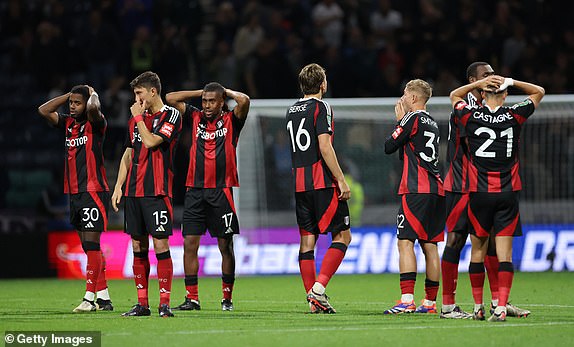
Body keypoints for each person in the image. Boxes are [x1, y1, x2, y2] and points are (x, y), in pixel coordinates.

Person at [450, 75, 544, 321]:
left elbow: (454, 96)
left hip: (479, 194)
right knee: (504, 254)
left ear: (483, 95)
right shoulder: (514, 116)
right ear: (504, 96)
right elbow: (539, 91)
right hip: (507, 194)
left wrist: (476, 85)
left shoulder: (471, 116)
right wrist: (511, 81)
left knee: (477, 252)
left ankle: (478, 306)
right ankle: (501, 307)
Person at [166, 83, 250, 312]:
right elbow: (170, 97)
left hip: (221, 191)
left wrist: (226, 91)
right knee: (189, 244)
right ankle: (192, 298)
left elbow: (244, 100)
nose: (207, 105)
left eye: (212, 101)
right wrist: (200, 93)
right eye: (205, 101)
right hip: (194, 190)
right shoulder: (194, 116)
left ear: (222, 101)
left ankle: (227, 298)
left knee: (225, 245)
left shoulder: (232, 120)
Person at [111, 71, 182, 318]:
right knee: (138, 246)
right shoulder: (135, 120)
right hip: (133, 191)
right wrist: (119, 186)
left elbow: (152, 142)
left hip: (157, 191)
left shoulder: (171, 115)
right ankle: (142, 304)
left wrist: (139, 118)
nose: (136, 98)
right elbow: (129, 154)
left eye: (139, 93)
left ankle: (165, 303)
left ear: (153, 91)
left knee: (161, 245)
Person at [38, 85, 113, 312]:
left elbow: (93, 109)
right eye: (71, 103)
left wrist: (94, 95)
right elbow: (43, 110)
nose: (72, 107)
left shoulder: (96, 123)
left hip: (93, 190)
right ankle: (104, 298)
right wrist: (66, 96)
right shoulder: (68, 124)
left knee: (91, 245)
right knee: (88, 246)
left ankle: (89, 299)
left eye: (77, 103)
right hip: (74, 191)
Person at [286, 63, 352, 314]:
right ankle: (319, 289)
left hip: (300, 185)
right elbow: (324, 146)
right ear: (323, 85)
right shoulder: (322, 106)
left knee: (307, 241)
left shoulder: (291, 110)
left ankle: (312, 300)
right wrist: (341, 179)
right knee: (343, 236)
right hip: (321, 182)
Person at [383, 79, 444, 314]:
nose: (402, 100)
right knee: (430, 245)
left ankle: (407, 299)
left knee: (405, 242)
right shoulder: (434, 123)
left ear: (415, 98)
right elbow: (406, 152)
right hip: (436, 189)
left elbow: (389, 146)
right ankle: (429, 303)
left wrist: (399, 121)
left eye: (405, 95)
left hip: (416, 189)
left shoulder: (412, 118)